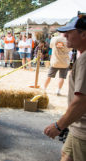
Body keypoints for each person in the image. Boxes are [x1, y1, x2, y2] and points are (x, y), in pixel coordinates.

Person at [44, 14, 86, 161]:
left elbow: (82, 101)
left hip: (83, 130)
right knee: (66, 155)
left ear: (84, 34)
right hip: (77, 126)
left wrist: (59, 125)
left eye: (70, 32)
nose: (65, 35)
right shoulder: (82, 56)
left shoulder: (85, 60)